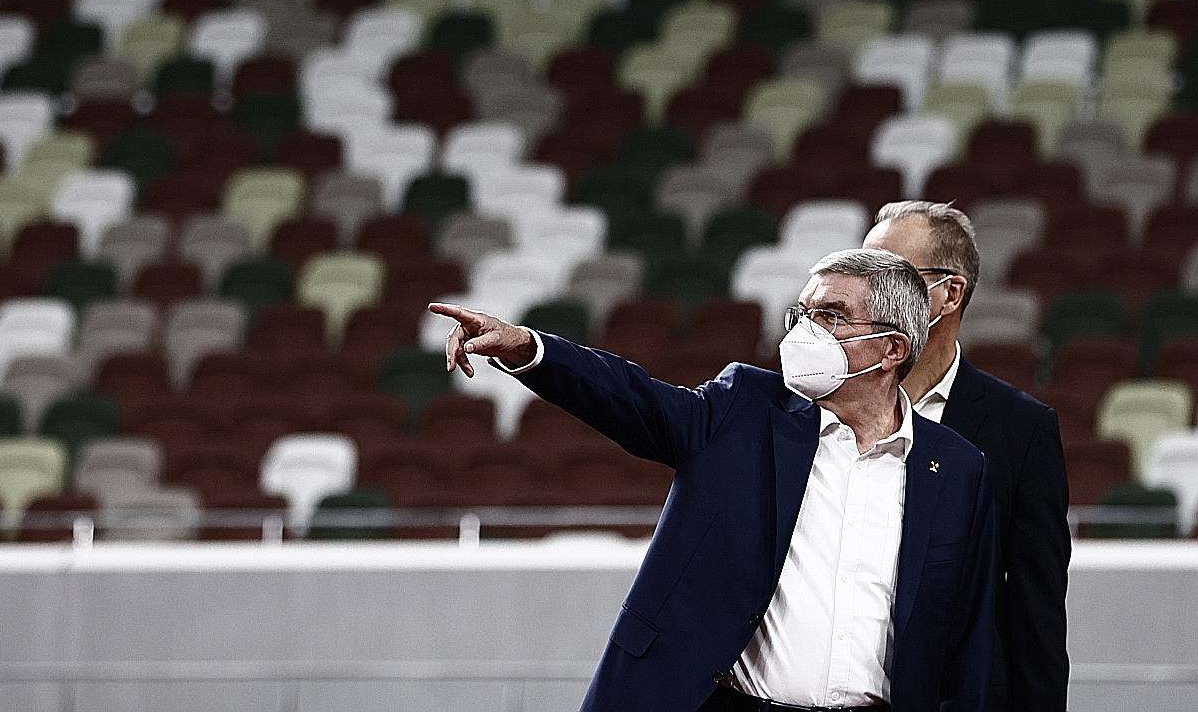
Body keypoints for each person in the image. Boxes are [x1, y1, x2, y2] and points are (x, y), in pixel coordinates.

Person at [431, 248, 997, 712]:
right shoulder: (744, 408)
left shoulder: (958, 468)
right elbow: (633, 399)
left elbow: (966, 641)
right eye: (802, 314)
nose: (806, 332)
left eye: (831, 315)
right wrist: (531, 349)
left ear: (892, 348)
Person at [863, 201, 1070, 712]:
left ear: (948, 294)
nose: (863, 288)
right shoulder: (819, 405)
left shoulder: (1020, 430)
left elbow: (1035, 615)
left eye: (887, 272)